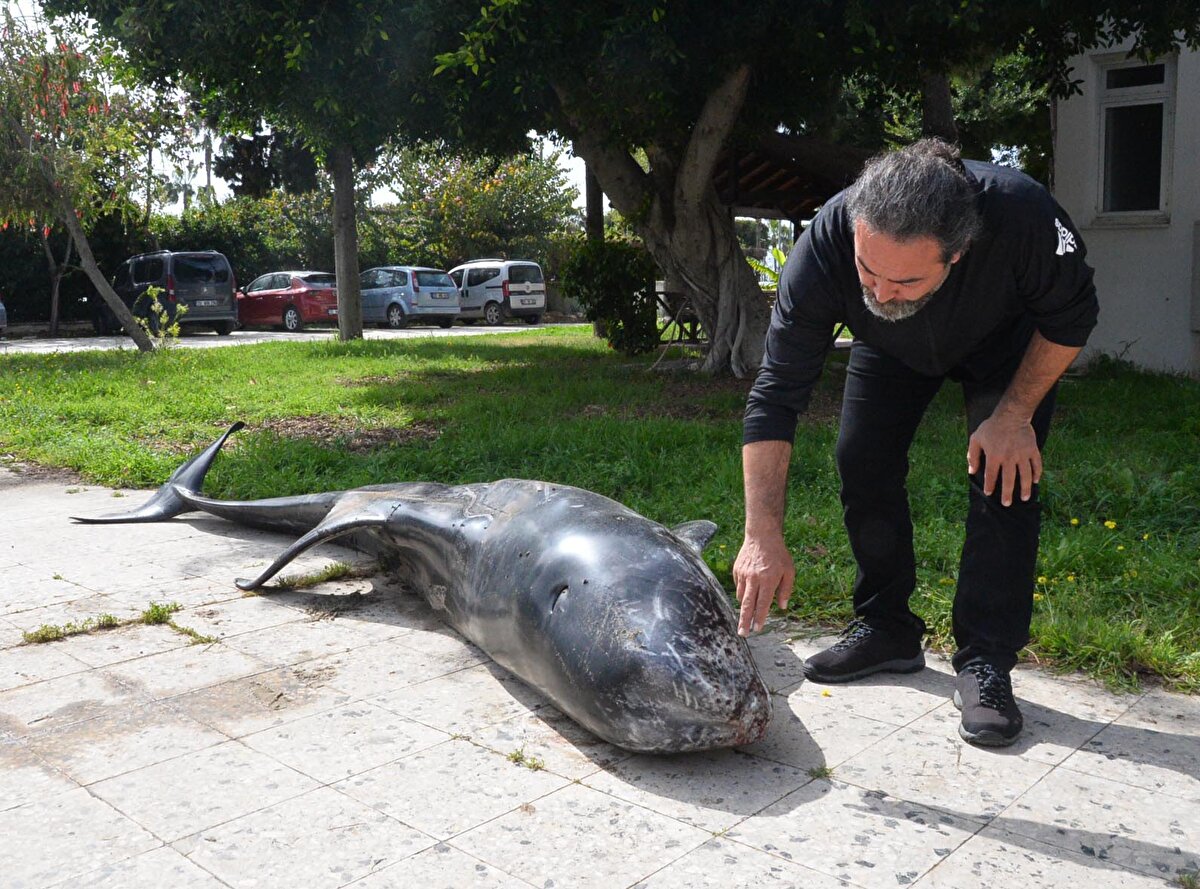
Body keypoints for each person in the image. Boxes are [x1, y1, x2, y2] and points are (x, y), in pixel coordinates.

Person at [734, 138, 1098, 747]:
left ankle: (985, 661)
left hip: (1004, 345)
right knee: (862, 459)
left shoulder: (1023, 216)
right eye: (867, 270)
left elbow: (1072, 316)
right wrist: (760, 533)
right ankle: (886, 627)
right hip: (890, 346)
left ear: (957, 253)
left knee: (1003, 478)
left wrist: (1013, 415)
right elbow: (776, 394)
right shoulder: (828, 241)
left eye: (903, 278)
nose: (878, 291)